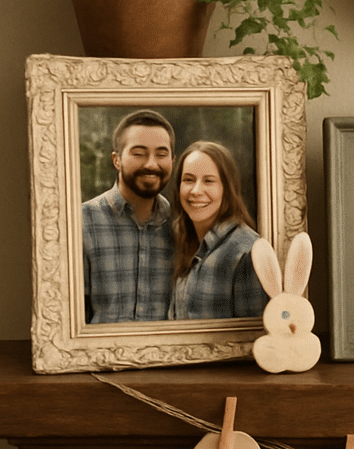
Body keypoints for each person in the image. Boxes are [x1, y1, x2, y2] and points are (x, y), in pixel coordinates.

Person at [81, 109, 176, 324]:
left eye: (161, 154)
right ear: (117, 160)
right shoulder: (81, 221)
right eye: (139, 153)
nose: (151, 164)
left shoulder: (183, 225)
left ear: (172, 160)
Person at [167, 140, 268, 320]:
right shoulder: (178, 240)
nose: (196, 190)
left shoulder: (247, 252)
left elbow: (254, 332)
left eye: (208, 181)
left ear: (227, 189)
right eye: (188, 180)